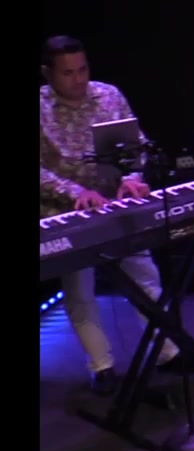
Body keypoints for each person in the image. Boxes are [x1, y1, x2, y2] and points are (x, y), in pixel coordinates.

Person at [39, 36, 181, 394]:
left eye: (83, 69)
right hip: (65, 211)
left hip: (115, 202)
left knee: (145, 274)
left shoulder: (108, 95)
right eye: (68, 73)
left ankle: (167, 352)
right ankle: (101, 366)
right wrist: (75, 192)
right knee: (79, 288)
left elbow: (137, 145)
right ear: (48, 73)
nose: (78, 79)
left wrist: (132, 177)